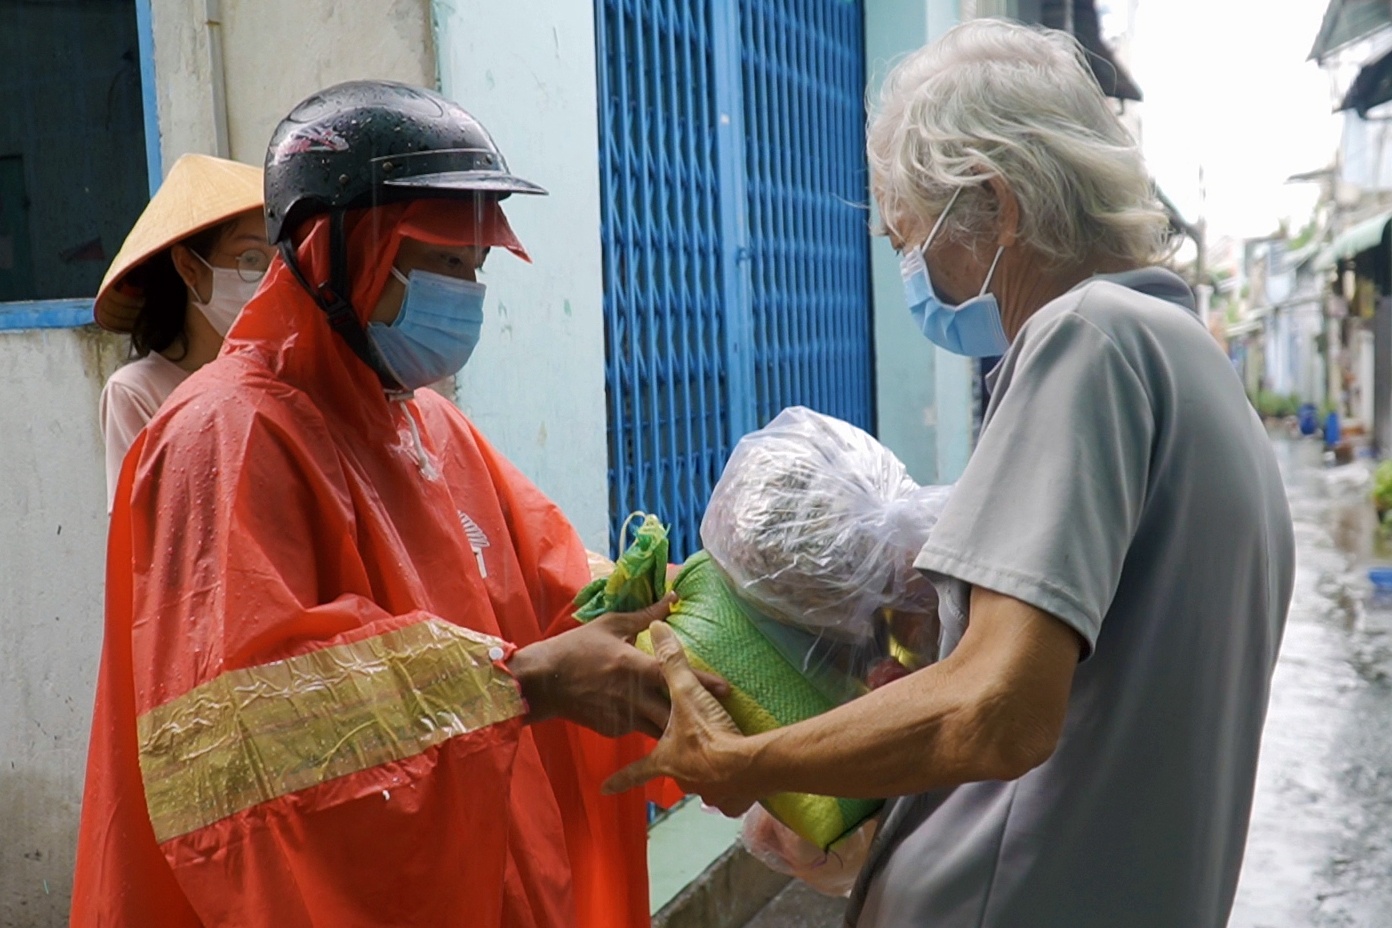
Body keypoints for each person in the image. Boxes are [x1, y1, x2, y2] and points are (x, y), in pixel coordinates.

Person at [604, 20, 1295, 928]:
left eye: (911, 237)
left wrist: (748, 763)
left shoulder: (1085, 337)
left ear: (998, 205)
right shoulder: (1200, 373)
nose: (912, 271)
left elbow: (999, 713)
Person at [72, 80, 717, 928]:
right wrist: (518, 682)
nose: (467, 293)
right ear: (343, 251)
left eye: (475, 268)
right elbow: (242, 731)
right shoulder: (220, 434)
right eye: (442, 263)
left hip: (478, 865)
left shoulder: (428, 422)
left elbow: (557, 581)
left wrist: (705, 601)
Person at [94, 154, 275, 510]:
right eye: (251, 260)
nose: (270, 280)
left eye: (279, 260)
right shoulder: (139, 392)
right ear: (190, 267)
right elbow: (145, 528)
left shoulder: (287, 373)